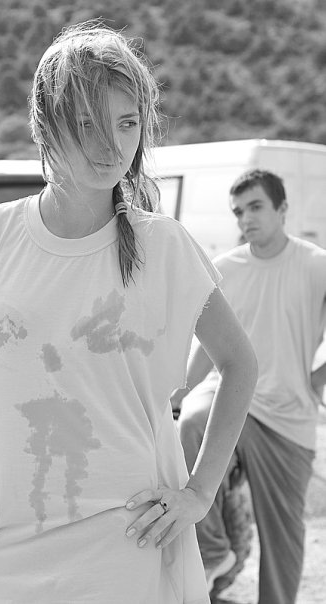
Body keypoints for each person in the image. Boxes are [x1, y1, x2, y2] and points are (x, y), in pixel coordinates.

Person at [0, 23, 257, 604]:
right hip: (10, 548)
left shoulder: (165, 245)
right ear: (46, 125)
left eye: (127, 123)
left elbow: (240, 364)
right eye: (87, 124)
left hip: (135, 544)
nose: (111, 146)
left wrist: (200, 493)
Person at [174, 169, 326, 603]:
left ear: (282, 209)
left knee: (283, 540)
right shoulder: (225, 269)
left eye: (255, 207)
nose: (246, 219)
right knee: (191, 423)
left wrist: (316, 379)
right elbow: (212, 348)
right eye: (238, 212)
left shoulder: (316, 265)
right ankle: (214, 551)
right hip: (231, 397)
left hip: (288, 417)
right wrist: (179, 392)